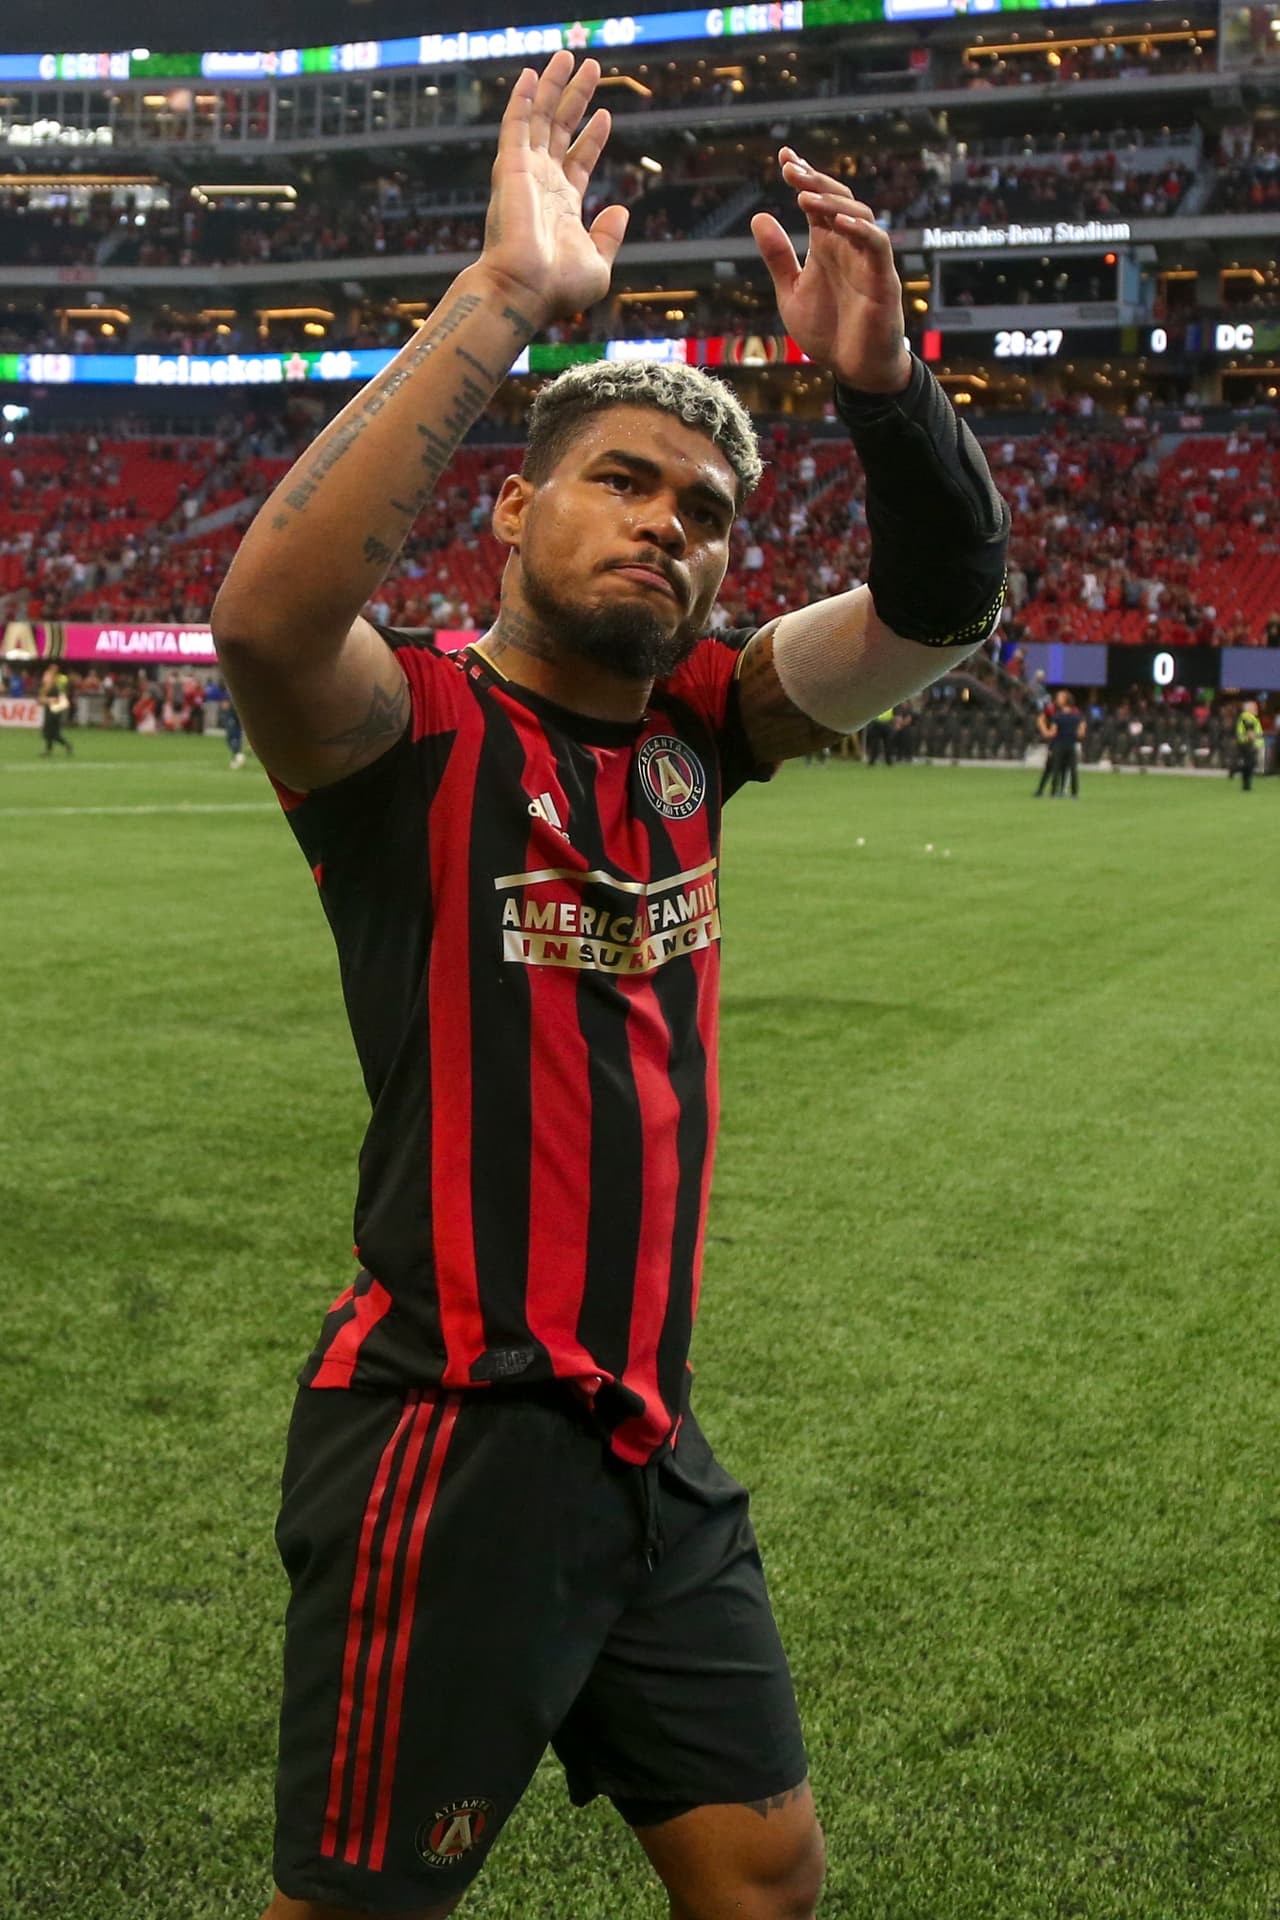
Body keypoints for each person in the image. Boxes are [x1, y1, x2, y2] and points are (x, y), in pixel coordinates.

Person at [211, 53, 1010, 1920]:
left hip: (649, 1431)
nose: (672, 523)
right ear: (511, 516)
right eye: (624, 485)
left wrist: (884, 393)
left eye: (709, 512)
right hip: (453, 1428)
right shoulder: (405, 735)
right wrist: (502, 298)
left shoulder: (706, 732)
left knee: (765, 1875)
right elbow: (263, 620)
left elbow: (943, 604)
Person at [1048, 687, 1086, 798]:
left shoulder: (1057, 716)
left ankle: (1054, 792)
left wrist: (1043, 730)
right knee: (1073, 769)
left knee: (1056, 769)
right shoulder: (1077, 716)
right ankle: (1074, 793)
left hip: (1059, 745)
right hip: (1071, 745)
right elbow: (1082, 733)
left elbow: (1053, 732)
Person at [37, 664, 73, 758]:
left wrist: (48, 700)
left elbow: (59, 699)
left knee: (50, 732)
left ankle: (63, 746)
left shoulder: (57, 685)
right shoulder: (50, 685)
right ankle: (58, 748)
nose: (45, 678)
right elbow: (41, 699)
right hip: (50, 710)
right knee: (51, 732)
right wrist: (48, 700)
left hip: (55, 711)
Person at [1032, 692, 1059, 796]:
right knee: (1050, 766)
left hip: (1063, 741)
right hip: (1055, 741)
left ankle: (1055, 790)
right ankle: (1045, 790)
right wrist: (1045, 731)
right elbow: (1041, 718)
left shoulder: (1069, 711)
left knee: (1059, 768)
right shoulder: (1052, 709)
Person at [1235, 698, 1263, 791]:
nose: (1256, 708)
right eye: (1254, 707)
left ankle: (1246, 784)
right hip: (1247, 744)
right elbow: (1250, 732)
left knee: (1249, 764)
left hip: (1246, 744)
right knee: (1249, 764)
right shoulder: (1247, 717)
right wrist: (1254, 744)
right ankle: (1246, 784)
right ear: (1248, 708)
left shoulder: (1249, 717)